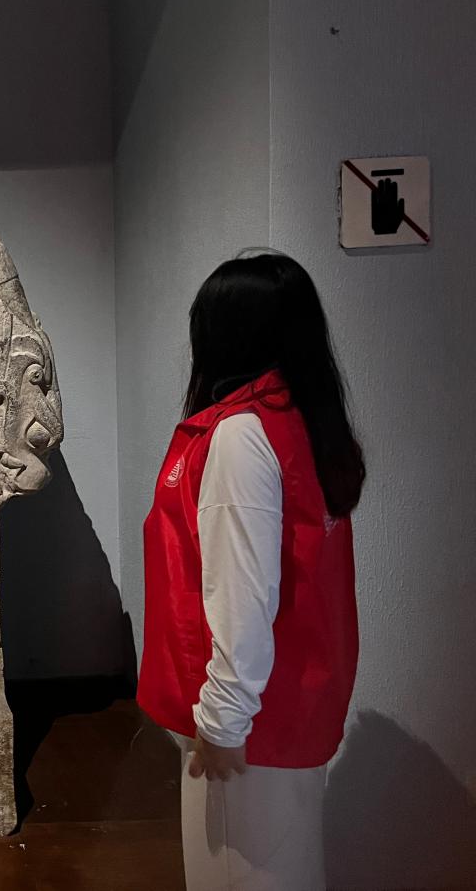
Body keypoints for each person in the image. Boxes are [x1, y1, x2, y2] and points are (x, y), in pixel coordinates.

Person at [137, 251, 365, 890]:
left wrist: (222, 721)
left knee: (241, 876)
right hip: (292, 707)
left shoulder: (240, 437)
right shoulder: (300, 424)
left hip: (248, 730)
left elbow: (241, 592)